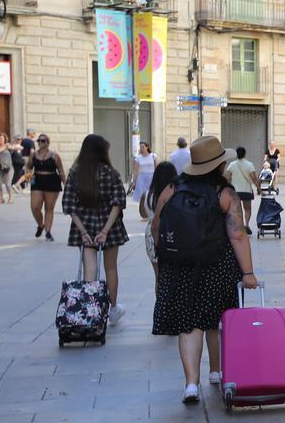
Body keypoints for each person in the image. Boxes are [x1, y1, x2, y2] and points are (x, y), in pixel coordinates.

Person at [151, 136, 258, 404]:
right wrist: (248, 273)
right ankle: (215, 371)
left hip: (180, 266)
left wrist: (166, 256)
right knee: (218, 321)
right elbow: (238, 235)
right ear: (220, 165)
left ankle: (190, 384)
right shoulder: (225, 193)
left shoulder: (173, 188)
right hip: (217, 265)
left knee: (190, 325)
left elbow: (157, 225)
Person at [62, 134, 129, 326]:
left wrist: (83, 231)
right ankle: (113, 308)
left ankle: (88, 309)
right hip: (110, 226)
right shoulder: (111, 172)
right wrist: (106, 230)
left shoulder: (76, 172)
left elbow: (69, 205)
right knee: (111, 267)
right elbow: (118, 204)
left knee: (89, 267)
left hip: (84, 225)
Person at [144, 161, 179, 283]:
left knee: (158, 276)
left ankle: (159, 300)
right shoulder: (174, 193)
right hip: (170, 233)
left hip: (150, 235)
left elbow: (143, 213)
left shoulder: (148, 194)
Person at [26, 133, 66, 241]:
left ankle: (48, 232)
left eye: (42, 141)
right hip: (37, 180)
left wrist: (65, 184)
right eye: (38, 140)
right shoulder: (33, 154)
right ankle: (41, 225)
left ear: (48, 142)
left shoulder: (54, 155)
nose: (40, 142)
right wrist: (28, 175)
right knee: (35, 207)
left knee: (49, 208)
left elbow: (61, 171)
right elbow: (29, 167)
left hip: (52, 181)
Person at [224, 146, 257, 235]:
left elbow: (227, 177)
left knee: (237, 210)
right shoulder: (249, 164)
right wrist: (258, 187)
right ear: (245, 154)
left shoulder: (232, 165)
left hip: (235, 192)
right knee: (247, 209)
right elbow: (253, 177)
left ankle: (240, 226)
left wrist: (228, 187)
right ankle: (246, 224)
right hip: (246, 191)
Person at [131, 142, 157, 220]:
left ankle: (152, 211)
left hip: (151, 176)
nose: (141, 148)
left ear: (147, 147)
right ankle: (144, 215)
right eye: (140, 147)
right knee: (143, 197)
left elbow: (157, 167)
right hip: (142, 177)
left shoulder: (153, 156)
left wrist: (157, 178)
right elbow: (135, 170)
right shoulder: (138, 158)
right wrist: (134, 182)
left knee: (152, 195)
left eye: (143, 147)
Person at [0, 133, 14, 203]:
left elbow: (15, 148)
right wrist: (5, 146)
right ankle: (1, 198)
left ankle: (10, 198)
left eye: (1, 138)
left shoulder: (8, 145)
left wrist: (10, 146)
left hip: (9, 168)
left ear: (5, 139)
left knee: (8, 184)